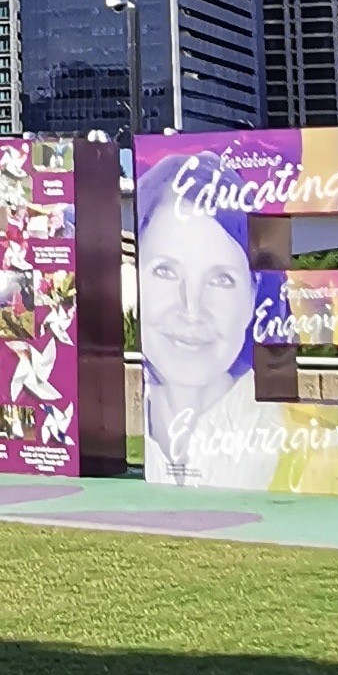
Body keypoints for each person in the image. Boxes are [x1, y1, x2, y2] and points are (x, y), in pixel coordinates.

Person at [136, 153, 276, 487]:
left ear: (253, 293)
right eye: (165, 271)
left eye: (221, 279)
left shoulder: (332, 461)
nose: (191, 308)